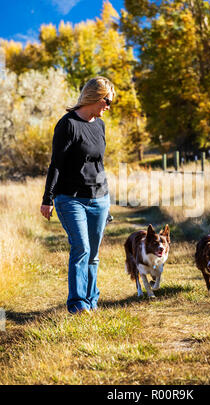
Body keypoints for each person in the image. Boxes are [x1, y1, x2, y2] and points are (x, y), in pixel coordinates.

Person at [40, 76, 115, 314]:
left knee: (93, 254)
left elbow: (99, 164)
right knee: (81, 248)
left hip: (99, 199)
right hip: (70, 198)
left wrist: (107, 203)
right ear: (96, 97)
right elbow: (57, 164)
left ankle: (91, 301)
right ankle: (77, 305)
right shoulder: (68, 124)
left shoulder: (99, 125)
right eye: (108, 101)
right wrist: (47, 198)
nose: (109, 106)